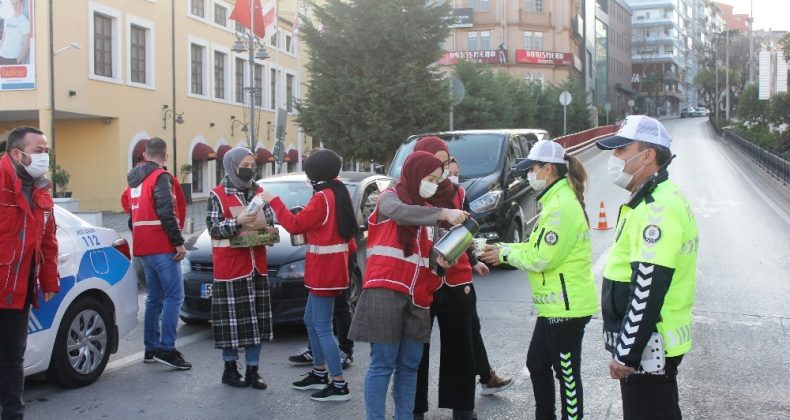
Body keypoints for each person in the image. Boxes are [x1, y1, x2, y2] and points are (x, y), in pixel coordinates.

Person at [481, 140, 599, 420]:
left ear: (548, 169)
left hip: (567, 308)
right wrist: (503, 250)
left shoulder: (561, 207)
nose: (528, 175)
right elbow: (534, 247)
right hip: (553, 307)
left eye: (532, 169)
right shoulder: (554, 202)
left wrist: (505, 255)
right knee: (537, 364)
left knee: (567, 376)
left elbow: (541, 258)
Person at [349, 151, 467, 420]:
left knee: (410, 365)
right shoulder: (390, 197)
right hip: (385, 290)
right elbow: (400, 214)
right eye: (429, 178)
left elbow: (430, 259)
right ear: (414, 174)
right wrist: (443, 213)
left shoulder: (429, 215)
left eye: (437, 181)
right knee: (383, 363)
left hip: (418, 297)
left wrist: (442, 263)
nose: (432, 185)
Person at [595, 115, 698, 419]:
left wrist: (627, 352)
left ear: (648, 155)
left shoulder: (657, 209)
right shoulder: (651, 200)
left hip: (650, 345)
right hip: (650, 342)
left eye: (621, 150)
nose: (614, 158)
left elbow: (648, 286)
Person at [410, 139, 504, 420]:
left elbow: (466, 231)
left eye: (443, 161)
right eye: (431, 162)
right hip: (422, 281)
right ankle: (414, 408)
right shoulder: (408, 196)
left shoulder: (457, 192)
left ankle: (463, 407)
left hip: (456, 279)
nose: (438, 170)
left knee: (460, 347)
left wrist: (473, 260)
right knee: (417, 350)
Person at [260, 149, 356, 402]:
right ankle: (319, 371)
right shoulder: (337, 191)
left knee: (322, 327)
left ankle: (338, 383)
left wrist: (274, 200)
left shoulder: (323, 196)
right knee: (310, 320)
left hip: (325, 269)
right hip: (330, 267)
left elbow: (293, 225)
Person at [0, 126, 60, 420]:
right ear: (16, 153)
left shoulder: (42, 190)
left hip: (19, 291)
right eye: (39, 151)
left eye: (47, 151)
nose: (45, 157)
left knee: (12, 359)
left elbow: (49, 240)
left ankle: (13, 415)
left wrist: (49, 278)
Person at [206, 147, 274, 390]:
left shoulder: (258, 191)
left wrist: (269, 228)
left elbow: (270, 218)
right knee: (231, 323)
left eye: (253, 163)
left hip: (257, 267)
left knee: (256, 322)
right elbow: (213, 228)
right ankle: (230, 369)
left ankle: (254, 371)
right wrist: (237, 222)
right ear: (233, 165)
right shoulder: (217, 194)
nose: (250, 167)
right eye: (246, 163)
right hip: (231, 269)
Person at [122, 137, 191, 370]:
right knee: (174, 297)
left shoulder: (133, 180)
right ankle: (167, 349)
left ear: (144, 155)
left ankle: (150, 348)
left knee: (154, 298)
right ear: (166, 156)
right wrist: (178, 242)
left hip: (142, 247)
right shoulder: (161, 177)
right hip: (162, 246)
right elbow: (167, 211)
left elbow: (128, 208)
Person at [0, 0, 30, 65]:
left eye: (17, 3)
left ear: (21, 3)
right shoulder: (8, 18)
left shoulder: (24, 22)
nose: (15, 6)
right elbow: (3, 38)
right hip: (1, 56)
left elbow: (26, 44)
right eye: (13, 3)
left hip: (13, 58)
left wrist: (17, 60)